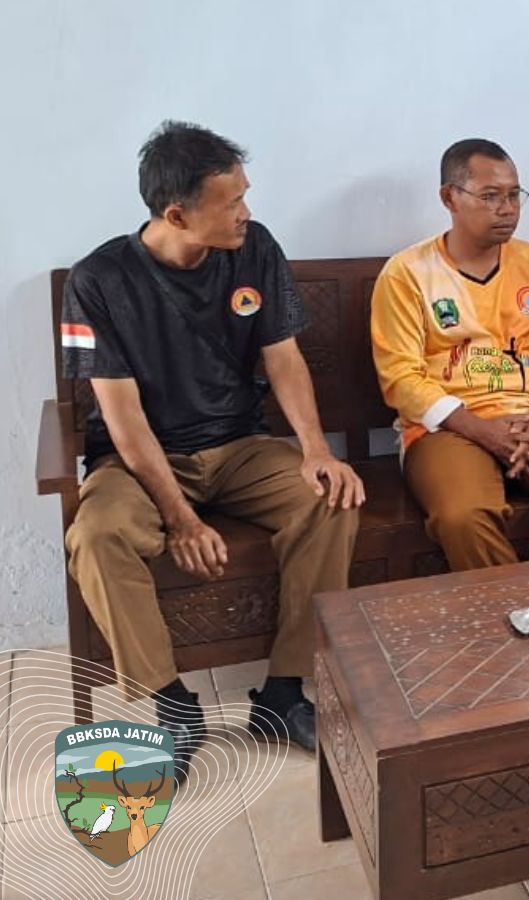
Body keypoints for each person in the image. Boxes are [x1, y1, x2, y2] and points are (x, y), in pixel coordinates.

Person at [60, 121, 362, 775]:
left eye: (245, 195)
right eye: (232, 202)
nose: (246, 212)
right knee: (97, 535)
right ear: (177, 214)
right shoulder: (98, 280)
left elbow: (283, 358)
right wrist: (181, 518)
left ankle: (283, 693)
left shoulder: (255, 249)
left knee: (330, 498)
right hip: (139, 461)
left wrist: (316, 449)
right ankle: (172, 706)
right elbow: (124, 420)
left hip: (240, 446)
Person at [371, 139, 529, 570]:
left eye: (514, 195)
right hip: (447, 427)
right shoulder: (407, 273)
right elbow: (400, 376)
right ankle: (513, 607)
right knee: (464, 515)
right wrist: (482, 431)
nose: (507, 209)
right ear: (450, 197)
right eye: (490, 196)